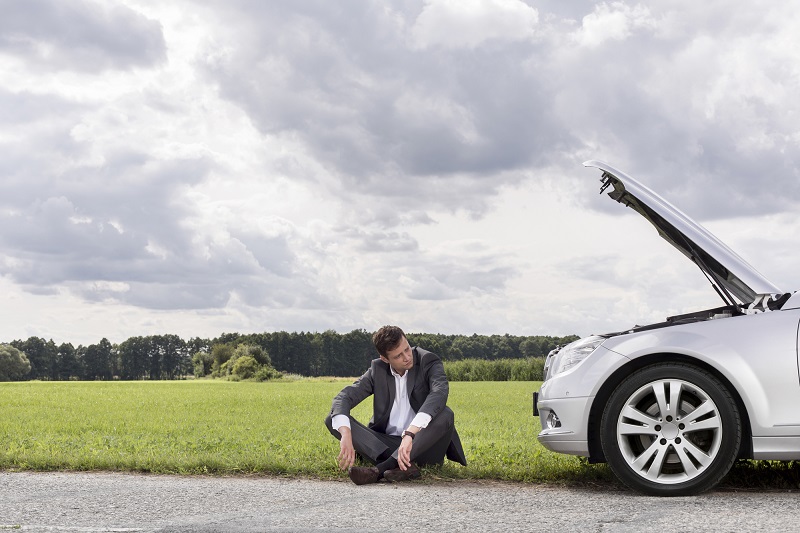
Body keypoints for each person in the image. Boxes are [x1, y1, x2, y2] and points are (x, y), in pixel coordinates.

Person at [324, 325, 467, 485]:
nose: (407, 357)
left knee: (446, 414)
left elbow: (439, 393)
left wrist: (410, 433)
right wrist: (346, 433)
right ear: (385, 359)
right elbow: (344, 397)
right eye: (398, 356)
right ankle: (404, 468)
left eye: (407, 349)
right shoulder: (377, 369)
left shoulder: (428, 361)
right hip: (388, 446)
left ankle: (380, 470)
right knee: (333, 419)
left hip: (425, 444)